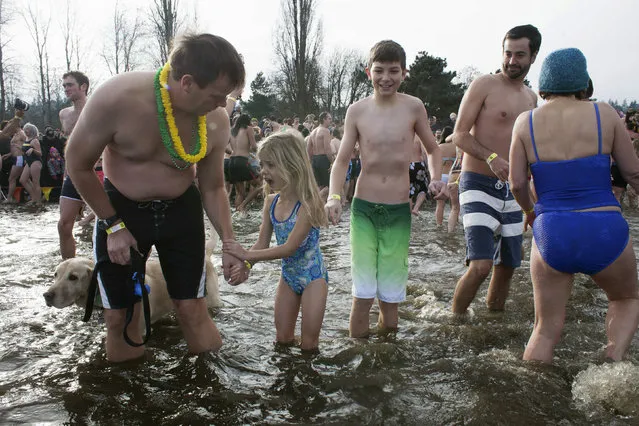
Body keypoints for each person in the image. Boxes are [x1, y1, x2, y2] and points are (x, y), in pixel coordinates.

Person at [65, 33, 249, 362]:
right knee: (119, 316)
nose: (223, 105)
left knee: (192, 307)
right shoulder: (118, 97)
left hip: (181, 210)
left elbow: (213, 186)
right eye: (217, 95)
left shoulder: (216, 120)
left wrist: (230, 242)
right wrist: (112, 225)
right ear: (188, 83)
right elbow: (76, 164)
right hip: (120, 209)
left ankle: (214, 394)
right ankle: (131, 400)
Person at [510, 48, 639, 363]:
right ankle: (611, 361)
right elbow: (633, 172)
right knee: (625, 298)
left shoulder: (524, 122)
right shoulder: (605, 114)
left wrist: (530, 212)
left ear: (544, 84)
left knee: (544, 329)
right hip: (604, 227)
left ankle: (532, 393)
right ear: (584, 83)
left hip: (552, 230)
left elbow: (516, 183)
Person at [325, 40, 447, 338]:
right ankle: (359, 360)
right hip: (364, 210)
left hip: (397, 212)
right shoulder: (357, 111)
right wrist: (334, 196)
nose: (386, 78)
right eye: (379, 71)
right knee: (362, 295)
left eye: (394, 71)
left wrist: (436, 178)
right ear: (369, 72)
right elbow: (341, 161)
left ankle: (387, 361)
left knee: (391, 300)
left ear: (404, 73)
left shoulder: (413, 107)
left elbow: (433, 149)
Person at [451, 24, 541, 315]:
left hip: (514, 190)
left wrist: (532, 201)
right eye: (507, 53)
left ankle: (493, 326)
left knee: (508, 266)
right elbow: (459, 134)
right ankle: (454, 320)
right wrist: (490, 157)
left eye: (519, 55)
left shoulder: (531, 99)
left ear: (533, 56)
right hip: (477, 182)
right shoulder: (484, 84)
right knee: (481, 265)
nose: (512, 61)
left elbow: (529, 151)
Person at [223, 130, 329, 351]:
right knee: (282, 339)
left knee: (309, 345)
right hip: (288, 278)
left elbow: (289, 248)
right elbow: (262, 243)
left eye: (270, 165)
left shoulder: (307, 204)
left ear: (291, 164)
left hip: (313, 279)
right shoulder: (271, 202)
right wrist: (246, 265)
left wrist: (245, 255)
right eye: (262, 165)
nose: (263, 172)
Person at [57, 71, 90, 259]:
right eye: (64, 86)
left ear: (83, 86)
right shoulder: (64, 114)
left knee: (110, 223)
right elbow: (68, 145)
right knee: (63, 225)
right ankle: (67, 267)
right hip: (73, 174)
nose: (66, 89)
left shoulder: (97, 108)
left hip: (99, 171)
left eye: (70, 85)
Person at [228, 114, 259, 208]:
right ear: (247, 121)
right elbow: (254, 147)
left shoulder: (231, 131)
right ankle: (244, 205)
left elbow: (225, 147)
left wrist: (234, 151)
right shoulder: (248, 129)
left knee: (240, 193)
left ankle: (239, 212)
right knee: (260, 184)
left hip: (232, 161)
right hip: (243, 161)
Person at [307, 112, 334, 195]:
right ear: (324, 119)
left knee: (319, 186)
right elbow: (327, 149)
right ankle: (317, 201)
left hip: (315, 159)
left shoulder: (313, 132)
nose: (331, 120)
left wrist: (311, 161)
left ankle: (319, 205)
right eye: (329, 118)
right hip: (323, 158)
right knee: (329, 186)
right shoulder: (325, 131)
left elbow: (308, 149)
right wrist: (333, 162)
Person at [434, 126, 456, 225]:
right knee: (454, 206)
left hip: (441, 177)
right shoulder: (456, 147)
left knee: (440, 205)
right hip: (453, 176)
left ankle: (439, 225)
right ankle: (453, 226)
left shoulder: (439, 147)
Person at [19, 123, 43, 205]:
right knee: (23, 180)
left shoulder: (34, 140)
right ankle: (34, 198)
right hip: (28, 162)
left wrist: (33, 150)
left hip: (36, 161)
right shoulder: (26, 139)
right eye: (25, 129)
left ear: (32, 130)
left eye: (27, 129)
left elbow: (40, 153)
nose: (25, 130)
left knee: (36, 182)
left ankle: (38, 201)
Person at [3, 127, 26, 203]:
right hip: (15, 157)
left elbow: (28, 144)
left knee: (12, 179)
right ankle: (34, 196)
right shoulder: (15, 134)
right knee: (25, 179)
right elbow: (14, 147)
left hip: (19, 158)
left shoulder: (22, 133)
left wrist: (20, 148)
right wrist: (9, 154)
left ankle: (9, 198)